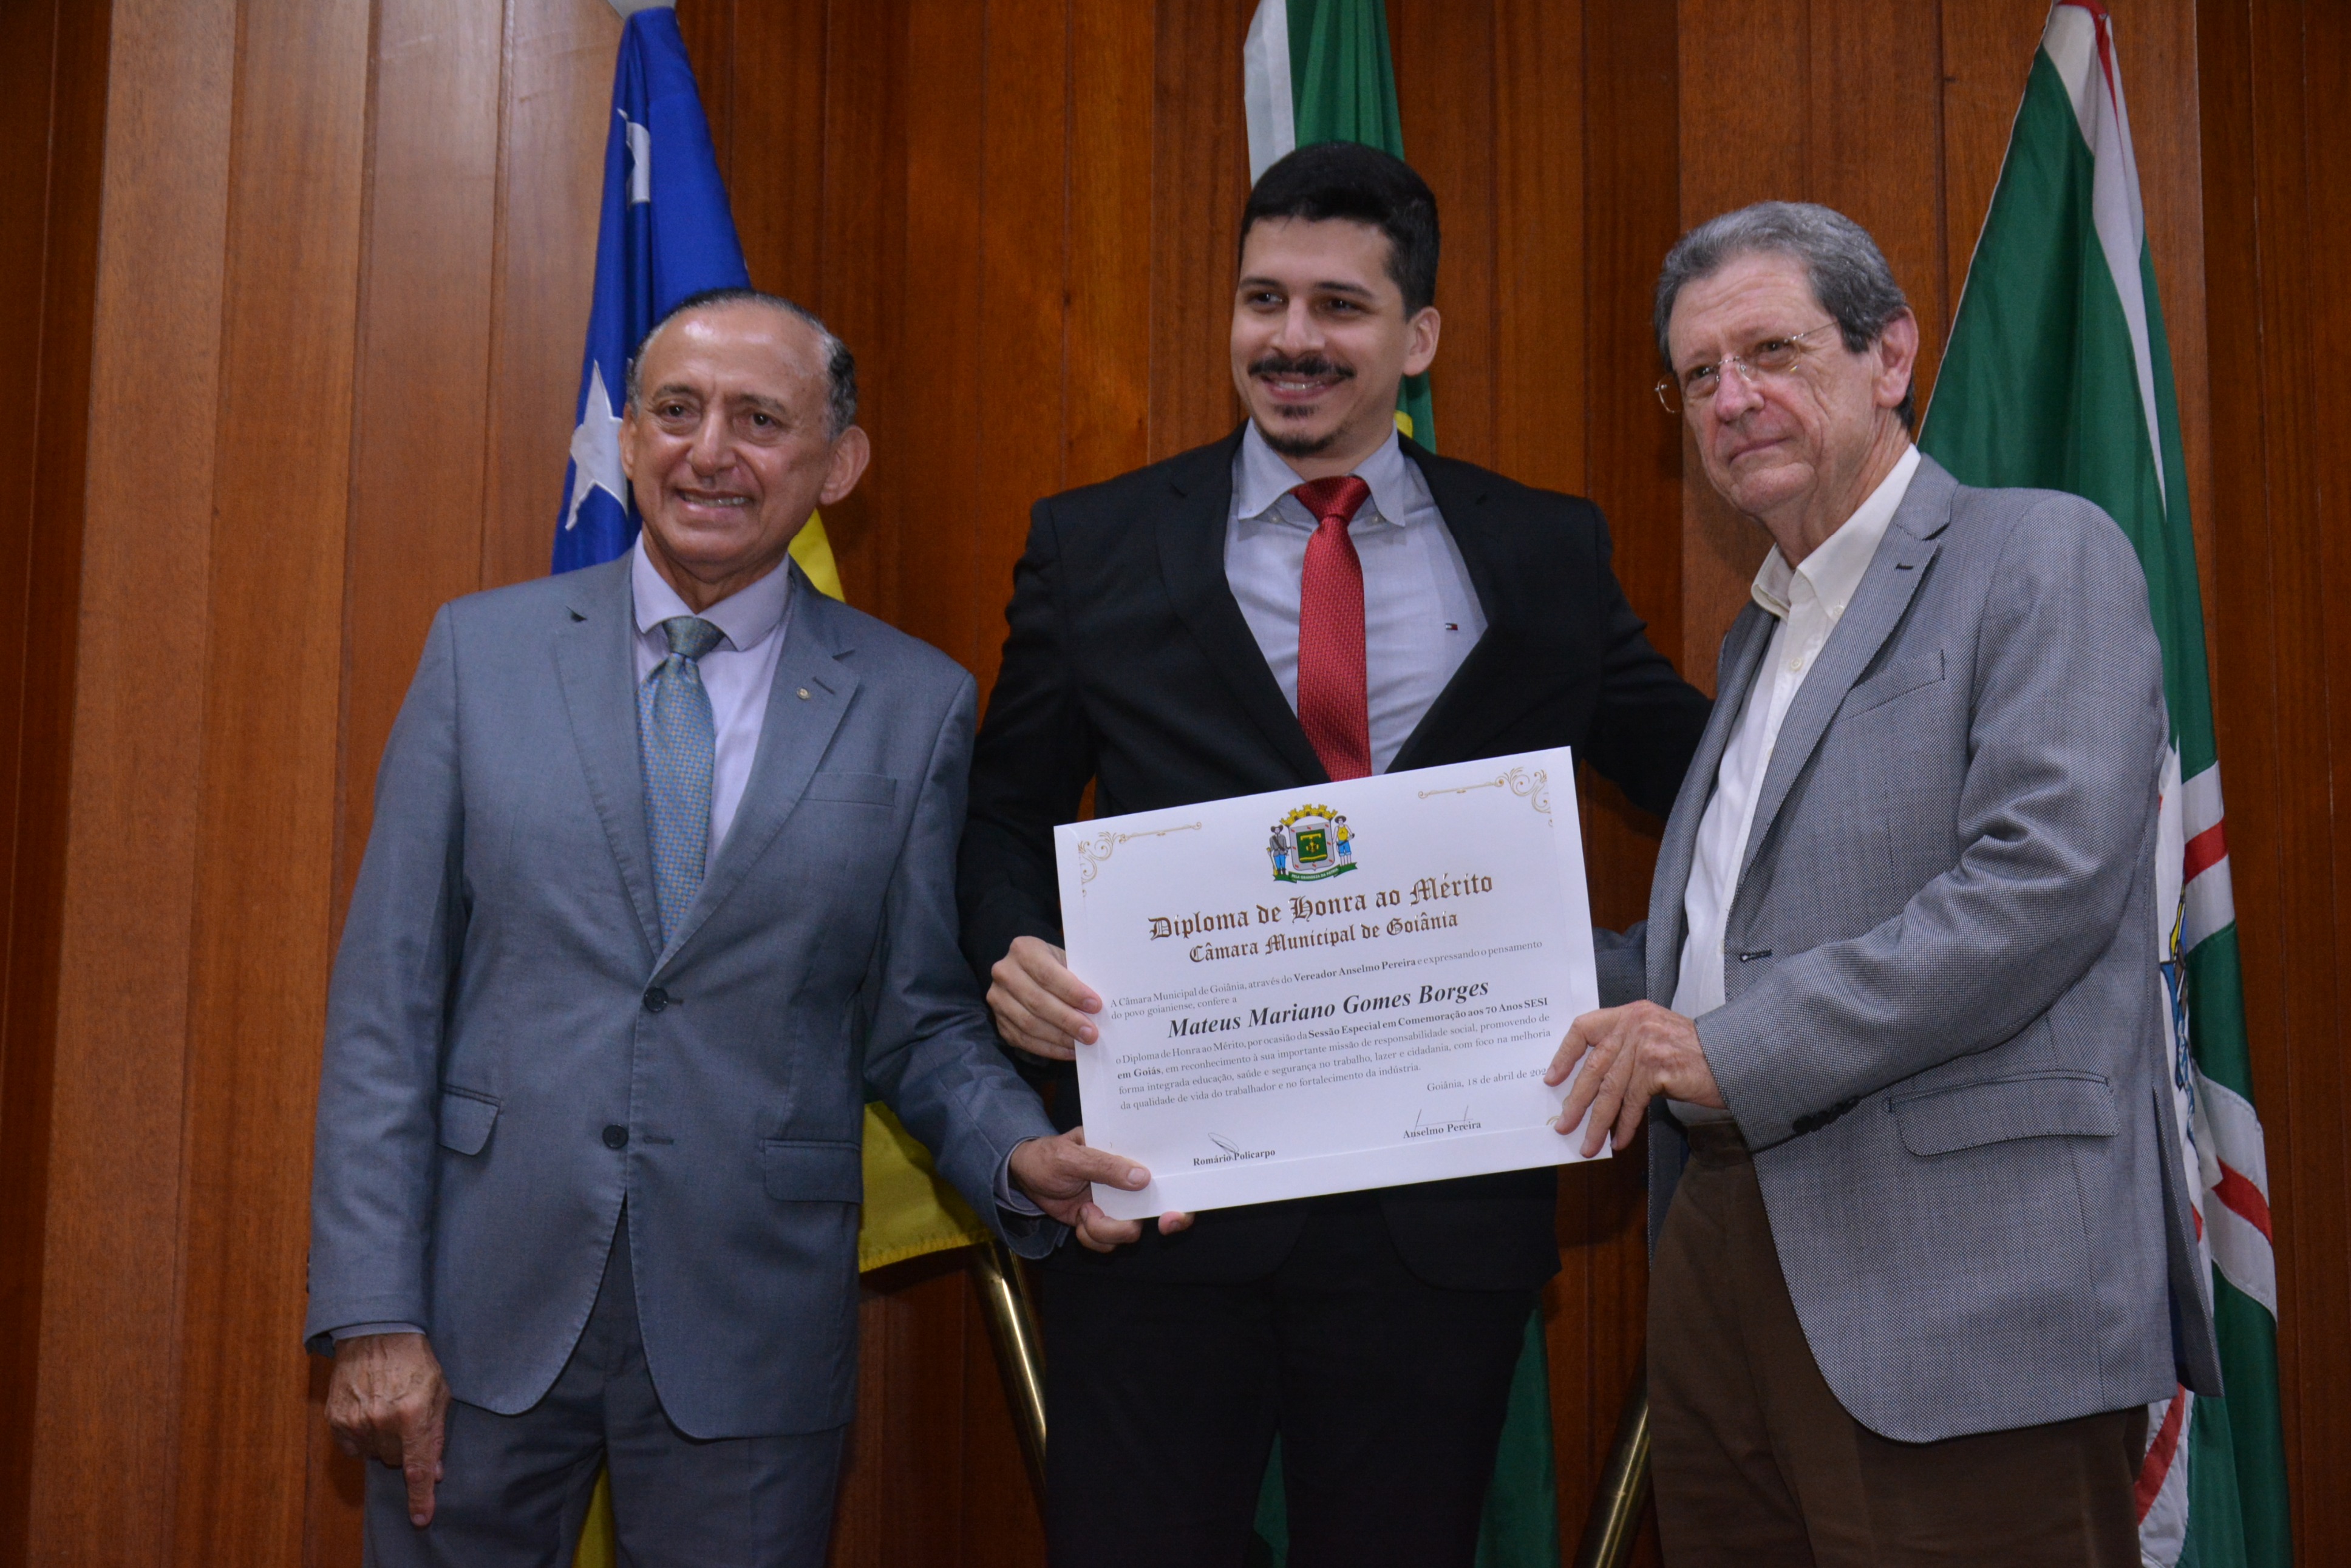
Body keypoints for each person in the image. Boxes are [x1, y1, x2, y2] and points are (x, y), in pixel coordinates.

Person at [306, 289, 1147, 1568]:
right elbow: (388, 1006)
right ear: (627, 439)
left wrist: (1015, 1153)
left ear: (838, 464)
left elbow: (916, 1016)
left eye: (760, 420)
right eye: (677, 411)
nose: (710, 452)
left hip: (751, 1325)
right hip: (478, 1310)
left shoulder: (913, 702)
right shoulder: (480, 655)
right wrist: (373, 1310)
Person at [959, 142, 1710, 1568]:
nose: (1291, 338)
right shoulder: (1093, 545)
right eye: (1263, 299)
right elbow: (1004, 813)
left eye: (1339, 306)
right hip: (1167, 1199)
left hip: (1439, 1219)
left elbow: (1707, 786)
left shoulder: (1544, 550)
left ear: (1417, 338)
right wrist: (1014, 950)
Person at [1545, 202, 2223, 1566]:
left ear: (1889, 354)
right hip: (1726, 1248)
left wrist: (1726, 1047)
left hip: (1963, 1286)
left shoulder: (2039, 554)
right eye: (1697, 374)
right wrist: (1421, 979)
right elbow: (1709, 943)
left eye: (1772, 351)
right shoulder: (1760, 634)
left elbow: (2037, 884)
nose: (1731, 398)